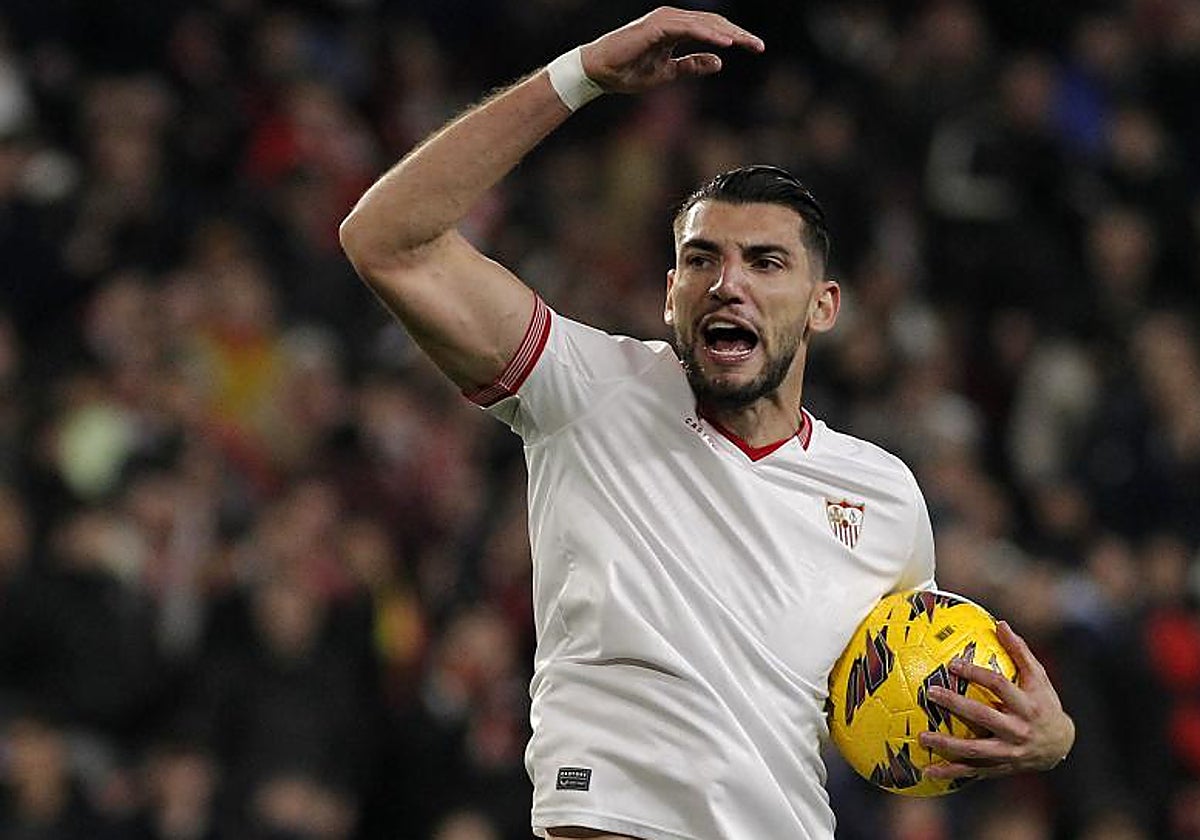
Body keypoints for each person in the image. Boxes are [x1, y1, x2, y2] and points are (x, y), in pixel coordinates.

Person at [339, 8, 1075, 839]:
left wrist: (1046, 739)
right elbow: (387, 241)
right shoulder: (588, 390)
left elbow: (913, 698)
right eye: (702, 260)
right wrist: (580, 75)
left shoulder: (885, 498)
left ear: (823, 306)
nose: (730, 284)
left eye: (766, 262)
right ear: (670, 295)